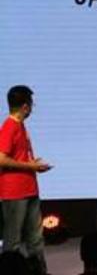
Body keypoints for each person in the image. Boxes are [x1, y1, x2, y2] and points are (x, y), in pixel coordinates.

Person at [0, 85, 52, 275]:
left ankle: (39, 271)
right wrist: (30, 166)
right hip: (14, 192)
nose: (31, 108)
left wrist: (32, 164)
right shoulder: (9, 127)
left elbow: (17, 157)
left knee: (35, 238)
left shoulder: (20, 126)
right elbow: (1, 159)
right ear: (25, 106)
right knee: (13, 240)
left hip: (29, 189)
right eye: (31, 104)